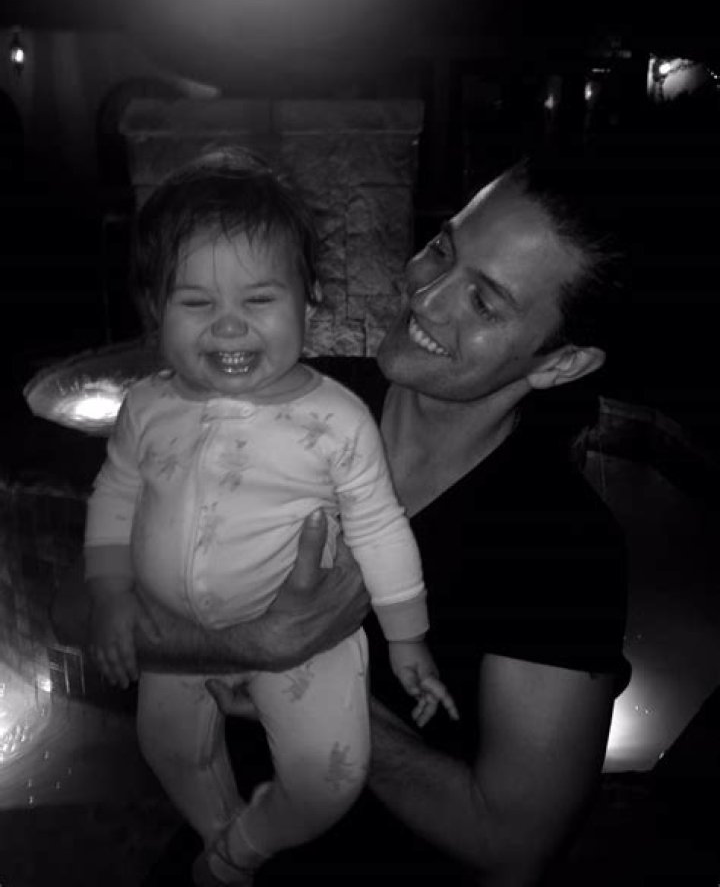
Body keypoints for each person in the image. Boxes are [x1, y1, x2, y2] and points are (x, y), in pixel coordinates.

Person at [52, 151, 630, 886]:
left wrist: (309, 685)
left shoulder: (561, 545)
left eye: (484, 303)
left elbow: (511, 844)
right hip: (212, 833)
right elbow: (72, 609)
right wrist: (244, 642)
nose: (425, 296)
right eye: (442, 248)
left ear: (561, 363)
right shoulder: (284, 394)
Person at [82, 149, 456, 887]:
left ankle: (249, 843)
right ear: (153, 308)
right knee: (168, 751)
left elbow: (380, 525)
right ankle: (219, 832)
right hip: (173, 634)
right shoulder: (146, 407)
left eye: (258, 300)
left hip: (308, 646)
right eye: (195, 303)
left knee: (329, 779)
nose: (229, 326)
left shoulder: (337, 419)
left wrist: (407, 636)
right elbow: (116, 494)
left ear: (309, 300)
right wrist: (110, 592)